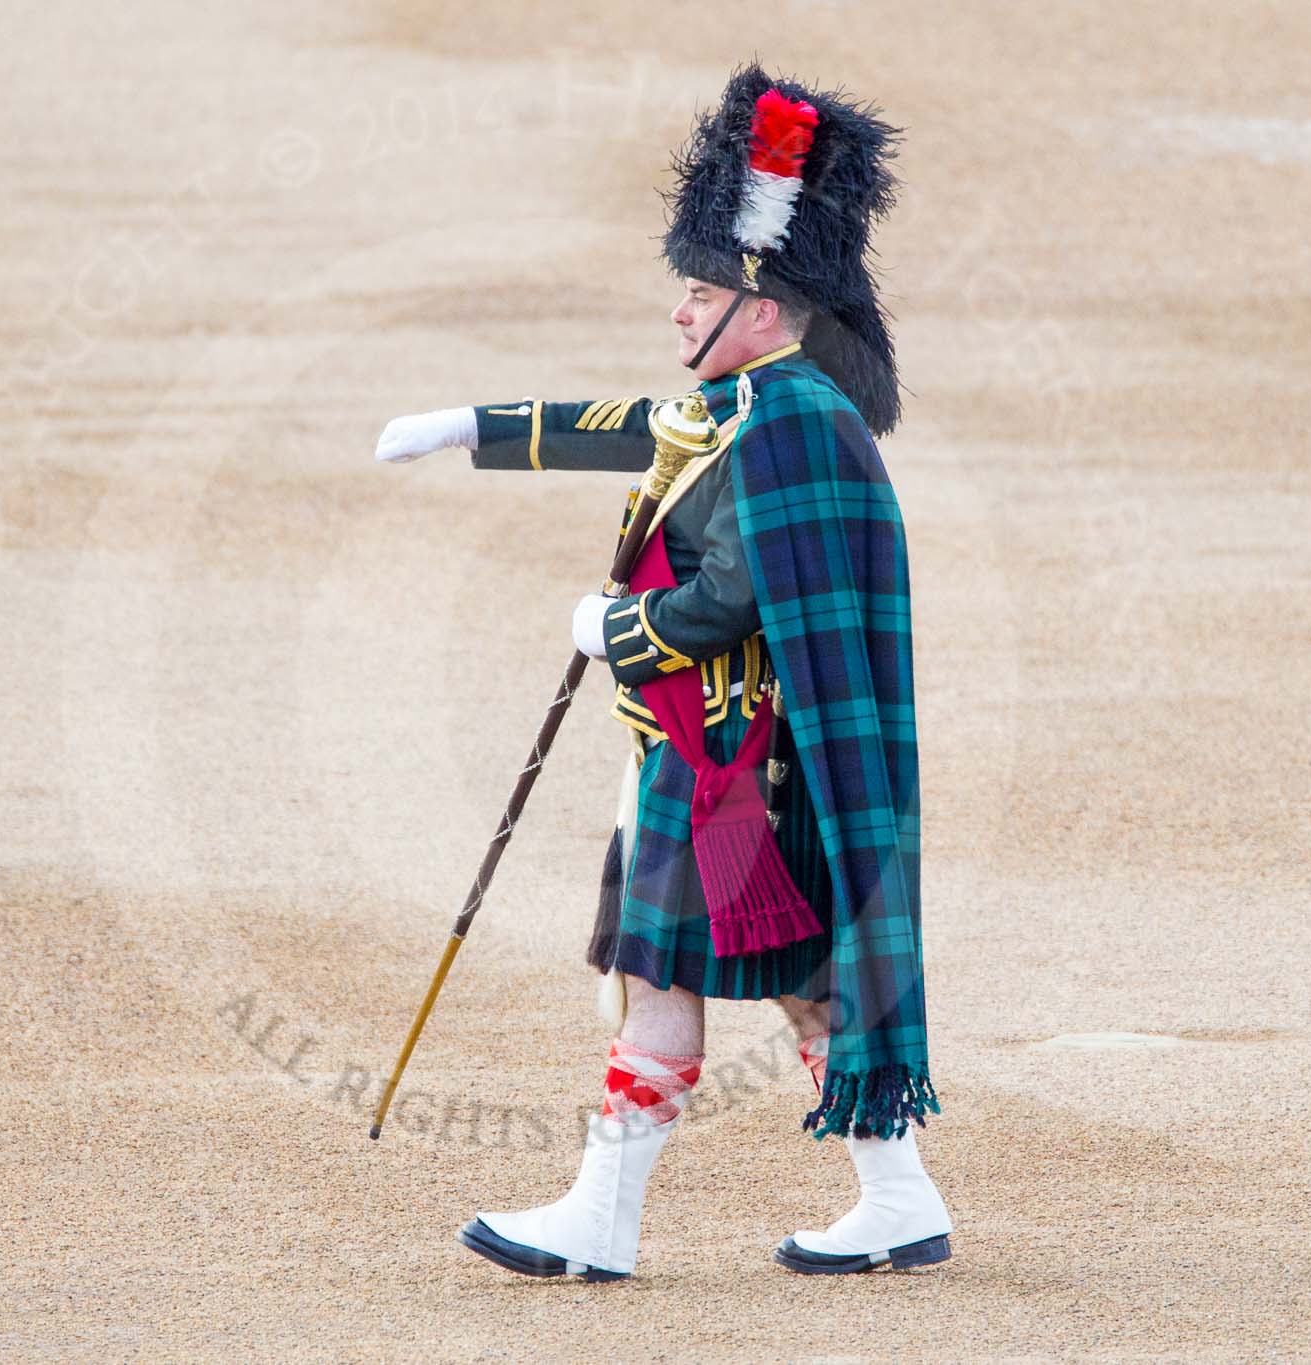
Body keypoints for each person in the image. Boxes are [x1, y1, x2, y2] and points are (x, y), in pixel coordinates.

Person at [373, 65, 948, 1279]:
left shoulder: (785, 419)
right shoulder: (751, 403)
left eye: (699, 293)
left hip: (727, 770)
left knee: (660, 971)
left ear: (761, 307)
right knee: (788, 978)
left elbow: (730, 595)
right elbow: (643, 428)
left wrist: (612, 631)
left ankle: (602, 1217)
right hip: (723, 764)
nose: (678, 316)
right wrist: (472, 427)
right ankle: (897, 1195)